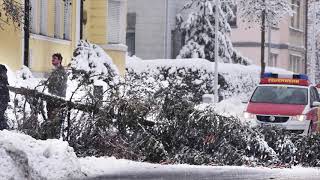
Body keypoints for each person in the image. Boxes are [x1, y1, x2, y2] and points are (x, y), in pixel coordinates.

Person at [42, 53, 68, 139]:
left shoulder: (61, 72)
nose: (52, 60)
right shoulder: (54, 71)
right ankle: (50, 136)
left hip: (57, 100)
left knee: (56, 120)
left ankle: (54, 138)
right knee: (50, 119)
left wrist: (51, 86)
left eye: (55, 58)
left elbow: (60, 86)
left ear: (60, 60)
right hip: (51, 100)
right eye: (52, 58)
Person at [0, 64, 10, 130]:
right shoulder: (3, 69)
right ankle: (3, 128)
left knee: (0, 113)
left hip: (2, 96)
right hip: (4, 96)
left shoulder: (1, 70)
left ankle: (3, 128)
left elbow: (3, 84)